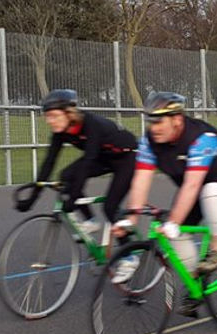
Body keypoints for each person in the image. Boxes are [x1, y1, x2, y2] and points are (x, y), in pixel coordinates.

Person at [112, 91, 217, 317]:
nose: (153, 127)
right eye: (150, 121)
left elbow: (193, 185)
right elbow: (140, 180)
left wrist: (174, 221)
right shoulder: (148, 141)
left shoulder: (201, 138)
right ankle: (196, 284)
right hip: (192, 184)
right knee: (173, 234)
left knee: (210, 193)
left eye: (158, 121)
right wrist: (131, 219)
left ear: (176, 119)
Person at [15, 89, 137, 234]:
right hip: (103, 157)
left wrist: (73, 197)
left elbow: (88, 161)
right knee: (66, 176)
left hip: (127, 158)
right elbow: (49, 162)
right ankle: (91, 221)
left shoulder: (91, 124)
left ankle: (128, 247)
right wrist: (32, 198)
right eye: (47, 116)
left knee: (109, 207)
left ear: (69, 113)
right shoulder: (60, 132)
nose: (49, 121)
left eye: (54, 116)